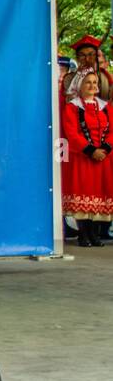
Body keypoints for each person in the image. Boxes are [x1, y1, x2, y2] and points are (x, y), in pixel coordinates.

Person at [61, 71, 113, 247]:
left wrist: (104, 149)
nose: (92, 86)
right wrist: (91, 150)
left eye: (94, 82)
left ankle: (95, 235)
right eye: (88, 82)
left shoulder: (106, 107)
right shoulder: (72, 107)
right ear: (79, 85)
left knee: (100, 194)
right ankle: (84, 234)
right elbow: (72, 132)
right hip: (83, 158)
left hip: (103, 159)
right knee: (84, 194)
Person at [63, 36, 113, 102]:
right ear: (77, 58)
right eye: (82, 55)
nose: (87, 59)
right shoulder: (69, 78)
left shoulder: (107, 77)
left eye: (91, 54)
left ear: (96, 57)